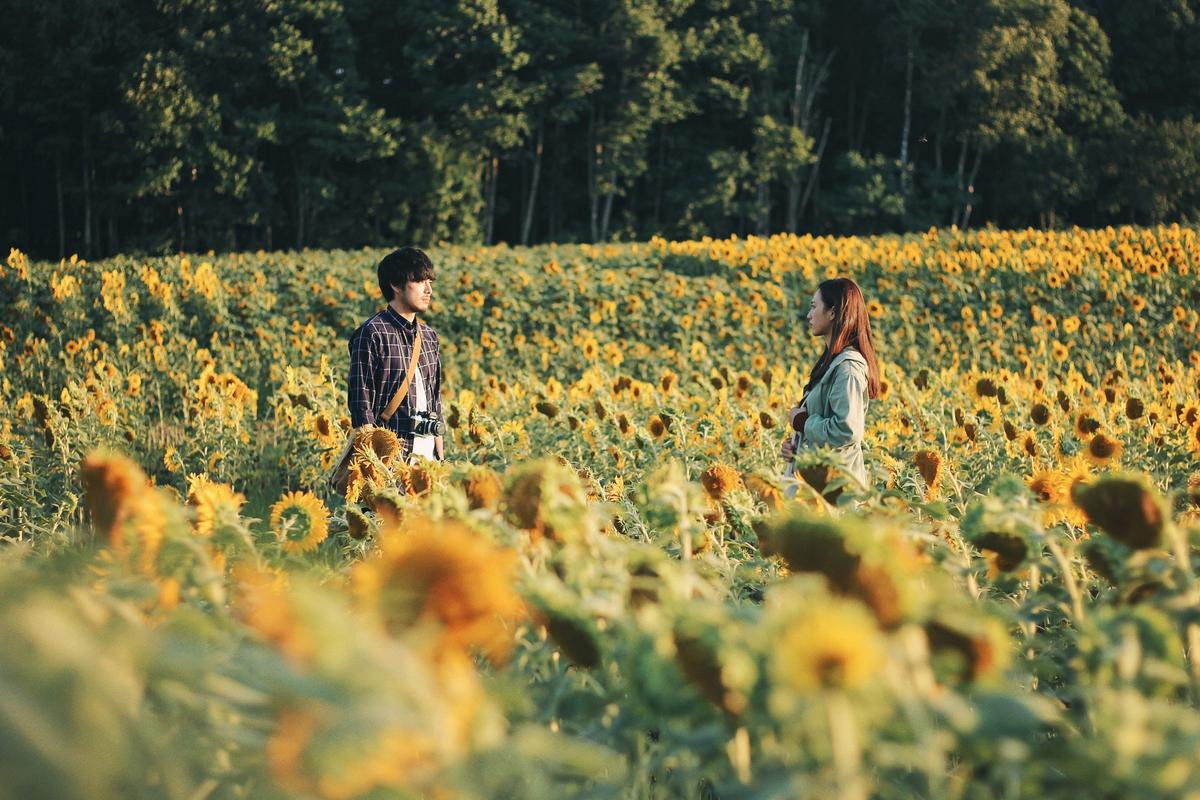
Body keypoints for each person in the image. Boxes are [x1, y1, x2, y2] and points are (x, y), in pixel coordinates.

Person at [780, 277, 880, 491]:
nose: (808, 315)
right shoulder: (832, 362)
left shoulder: (848, 368)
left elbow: (846, 430)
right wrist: (797, 447)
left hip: (836, 491)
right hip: (818, 485)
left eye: (814, 307)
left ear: (833, 312)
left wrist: (803, 424)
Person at [348, 247, 445, 463]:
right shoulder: (372, 333)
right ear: (395, 285)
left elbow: (435, 397)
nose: (429, 289)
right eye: (420, 281)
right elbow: (361, 405)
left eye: (430, 282)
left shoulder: (429, 336)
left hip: (427, 460)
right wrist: (373, 463)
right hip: (390, 459)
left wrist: (439, 450)